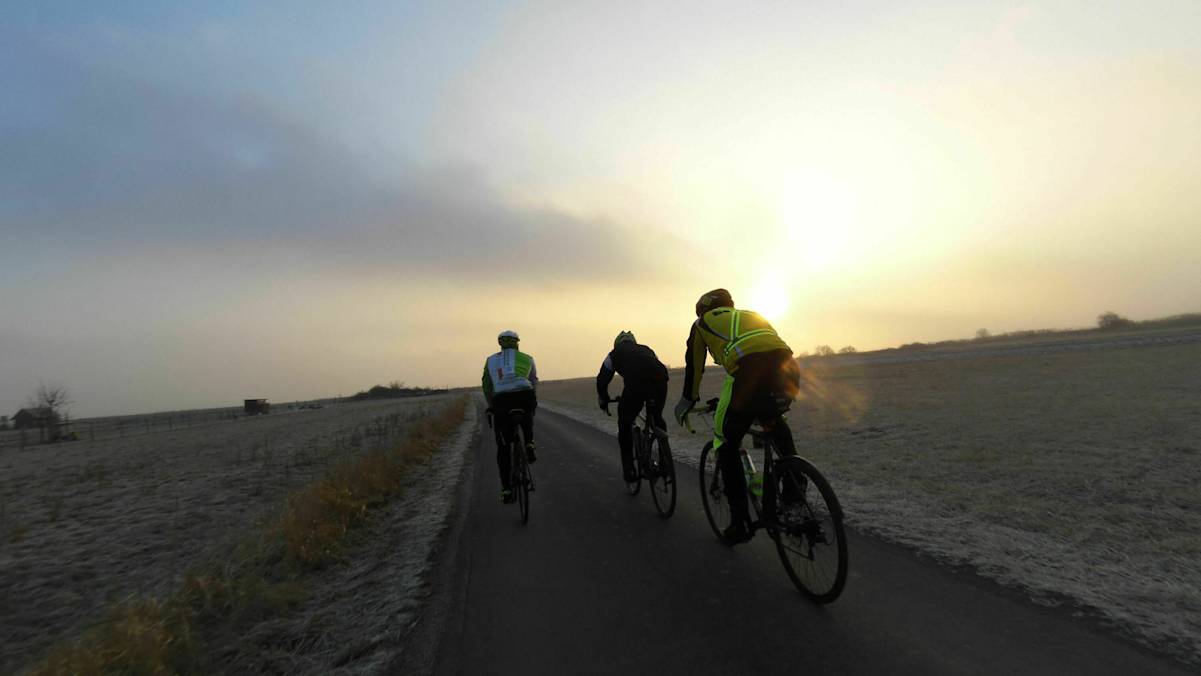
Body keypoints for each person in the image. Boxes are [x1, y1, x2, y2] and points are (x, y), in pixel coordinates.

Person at [673, 288, 801, 543]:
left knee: (728, 448)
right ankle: (794, 495)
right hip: (788, 369)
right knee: (774, 422)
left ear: (703, 309)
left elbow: (695, 367)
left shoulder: (701, 324)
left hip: (749, 372)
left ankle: (740, 523)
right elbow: (770, 347)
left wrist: (687, 402)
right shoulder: (751, 315)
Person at [596, 331, 670, 483]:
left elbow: (602, 379)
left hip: (636, 383)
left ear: (617, 344)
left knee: (624, 422)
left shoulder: (613, 354)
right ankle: (666, 464)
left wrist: (604, 400)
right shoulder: (646, 349)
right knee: (657, 417)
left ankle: (629, 468)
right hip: (661, 378)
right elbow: (653, 364)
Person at [482, 330, 539, 503]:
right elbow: (533, 381)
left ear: (500, 343)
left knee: (503, 447)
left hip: (502, 400)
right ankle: (529, 442)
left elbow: (486, 385)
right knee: (528, 410)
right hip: (525, 395)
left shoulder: (491, 360)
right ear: (517, 343)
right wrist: (531, 401)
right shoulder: (528, 358)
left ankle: (506, 489)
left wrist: (492, 405)